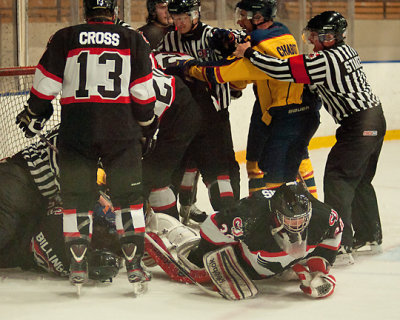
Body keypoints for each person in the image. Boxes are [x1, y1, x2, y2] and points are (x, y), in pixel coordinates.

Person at [15, 0, 157, 293]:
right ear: (115, 12)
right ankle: (134, 264)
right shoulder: (134, 39)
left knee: (77, 197)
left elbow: (44, 87)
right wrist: (145, 126)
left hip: (77, 130)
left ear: (85, 10)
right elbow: (142, 94)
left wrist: (35, 113)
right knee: (128, 197)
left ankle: (77, 262)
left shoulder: (65, 36)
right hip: (120, 131)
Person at [233, 11, 386, 261]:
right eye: (312, 36)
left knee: (339, 180)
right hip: (374, 119)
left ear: (335, 37)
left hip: (359, 125)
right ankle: (371, 235)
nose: (315, 41)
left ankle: (339, 244)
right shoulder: (347, 52)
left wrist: (249, 53)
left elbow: (282, 69)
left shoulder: (326, 60)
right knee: (360, 181)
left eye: (321, 36)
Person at [181, 0, 320, 196]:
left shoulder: (258, 42)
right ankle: (299, 208)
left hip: (284, 113)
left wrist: (189, 67)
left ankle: (285, 211)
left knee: (275, 170)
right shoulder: (282, 31)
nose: (239, 22)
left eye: (243, 16)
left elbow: (223, 73)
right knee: (275, 161)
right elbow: (250, 75)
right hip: (284, 108)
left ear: (258, 18)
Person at [148, 181, 342, 299]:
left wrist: (318, 271)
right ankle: (169, 229)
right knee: (192, 266)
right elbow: (211, 226)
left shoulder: (324, 216)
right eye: (291, 219)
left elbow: (333, 238)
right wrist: (202, 259)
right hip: (239, 254)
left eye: (301, 219)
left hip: (266, 266)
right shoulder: (251, 216)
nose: (297, 225)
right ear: (276, 213)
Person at [156, 0, 241, 221]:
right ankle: (178, 217)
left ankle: (230, 218)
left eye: (184, 17)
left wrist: (231, 44)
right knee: (181, 168)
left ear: (196, 15)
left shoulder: (212, 36)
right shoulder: (170, 38)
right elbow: (156, 63)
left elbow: (239, 46)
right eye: (175, 18)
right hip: (182, 116)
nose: (179, 22)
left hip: (214, 116)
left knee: (221, 170)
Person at [0, 127, 121, 283]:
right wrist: (98, 197)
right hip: (17, 183)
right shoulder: (74, 137)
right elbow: (71, 177)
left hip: (31, 196)